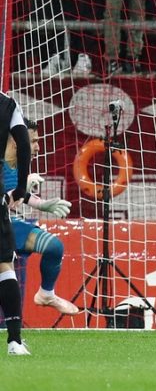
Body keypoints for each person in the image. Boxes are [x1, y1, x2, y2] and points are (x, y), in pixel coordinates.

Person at [2, 118, 78, 317]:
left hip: (6, 224)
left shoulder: (20, 164)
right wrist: (19, 190)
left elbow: (17, 195)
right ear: (16, 140)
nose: (38, 147)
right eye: (33, 141)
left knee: (54, 247)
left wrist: (43, 205)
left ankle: (46, 294)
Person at [0, 91, 31, 355]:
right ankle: (14, 341)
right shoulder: (7, 104)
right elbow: (23, 141)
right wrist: (21, 187)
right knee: (3, 265)